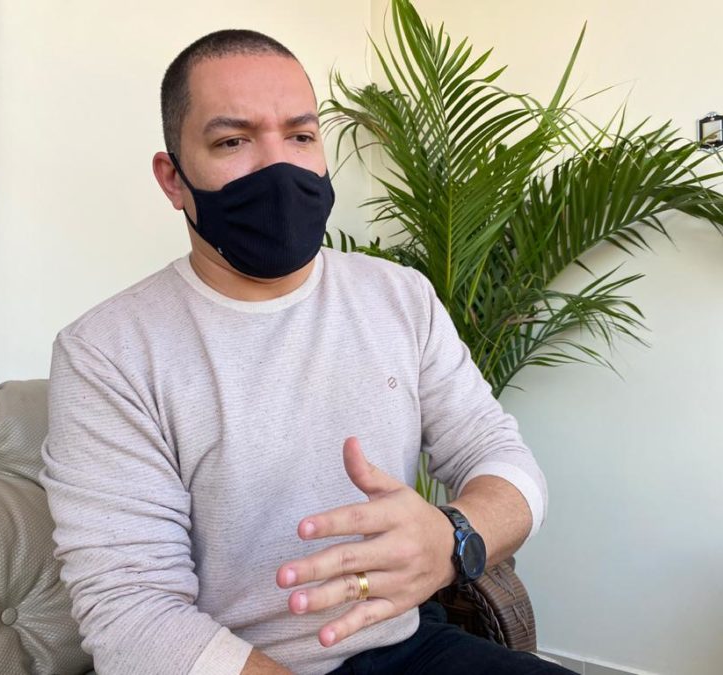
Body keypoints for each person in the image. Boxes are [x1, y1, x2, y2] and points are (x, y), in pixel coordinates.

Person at [40, 29, 572, 675]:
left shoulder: (400, 296)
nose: (278, 167)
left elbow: (506, 460)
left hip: (408, 646)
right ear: (173, 178)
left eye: (300, 135)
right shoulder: (106, 351)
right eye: (233, 141)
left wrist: (453, 536)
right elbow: (131, 615)